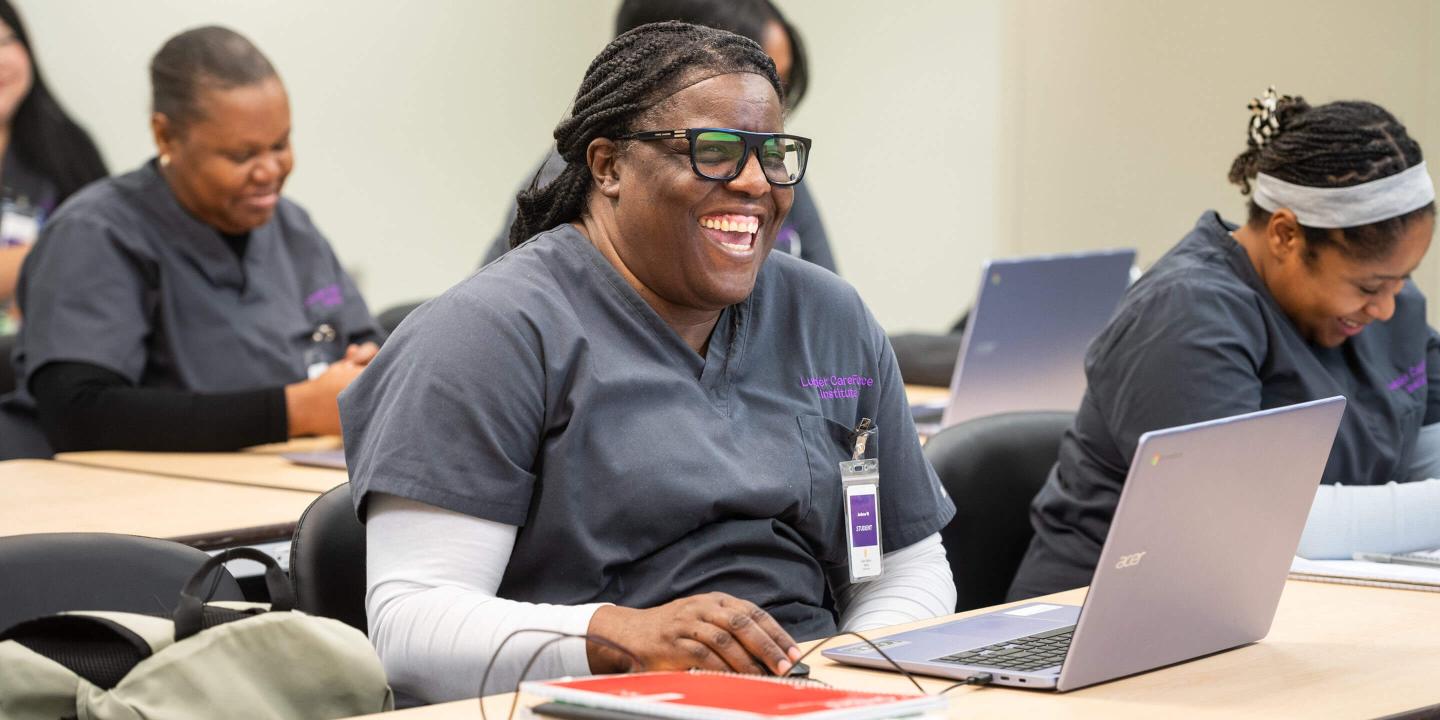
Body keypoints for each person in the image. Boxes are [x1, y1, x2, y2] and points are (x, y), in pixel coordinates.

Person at [343, 22, 955, 703]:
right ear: (607, 166)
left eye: (775, 153)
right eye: (715, 151)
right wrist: (617, 640)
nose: (756, 182)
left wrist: (853, 677)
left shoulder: (830, 319)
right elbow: (410, 626)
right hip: (591, 700)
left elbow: (900, 561)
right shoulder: (487, 335)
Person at [1008, 90, 1440, 600]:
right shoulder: (1186, 314)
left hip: (1300, 611)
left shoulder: (1391, 310)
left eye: (1402, 279)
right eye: (1369, 286)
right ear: (1285, 235)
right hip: (1108, 615)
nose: (1388, 307)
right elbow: (1246, 527)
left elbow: (1425, 456)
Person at [0, 26, 380, 459]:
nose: (270, 171)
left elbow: (371, 352)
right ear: (165, 136)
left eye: (281, 144)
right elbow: (80, 413)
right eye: (242, 155)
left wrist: (371, 370)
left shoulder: (293, 228)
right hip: (124, 502)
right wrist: (296, 411)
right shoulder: (96, 234)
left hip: (281, 481)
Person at [476, 0, 835, 275]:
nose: (765, 98)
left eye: (775, 79)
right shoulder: (564, 187)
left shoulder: (768, 173)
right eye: (744, 71)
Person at [0, 0, 109, 321]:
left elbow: (105, 250)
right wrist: (53, 254)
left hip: (50, 348)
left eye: (7, 41)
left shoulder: (67, 143)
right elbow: (78, 251)